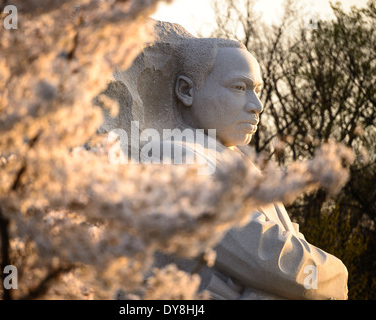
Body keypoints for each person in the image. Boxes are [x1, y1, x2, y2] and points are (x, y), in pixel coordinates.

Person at [102, 20, 349, 300]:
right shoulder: (172, 157)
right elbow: (263, 255)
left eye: (257, 89)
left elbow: (288, 245)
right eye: (239, 88)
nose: (257, 105)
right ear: (186, 91)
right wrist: (335, 274)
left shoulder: (242, 165)